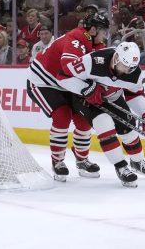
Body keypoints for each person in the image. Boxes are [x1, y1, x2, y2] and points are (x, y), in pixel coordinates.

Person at [58, 42, 145, 187]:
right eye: (125, 65)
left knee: (128, 128)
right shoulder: (92, 61)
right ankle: (121, 166)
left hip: (112, 96)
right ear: (116, 57)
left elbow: (134, 93)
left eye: (131, 67)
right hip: (85, 99)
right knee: (104, 123)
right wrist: (86, 88)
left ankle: (137, 162)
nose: (127, 70)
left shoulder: (134, 72)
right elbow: (62, 76)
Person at [27, 13, 109, 181]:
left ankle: (82, 159)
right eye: (103, 31)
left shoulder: (95, 43)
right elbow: (67, 68)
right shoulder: (76, 40)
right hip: (43, 81)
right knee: (62, 116)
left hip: (65, 81)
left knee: (84, 119)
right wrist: (88, 90)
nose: (105, 35)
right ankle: (57, 161)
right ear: (93, 30)